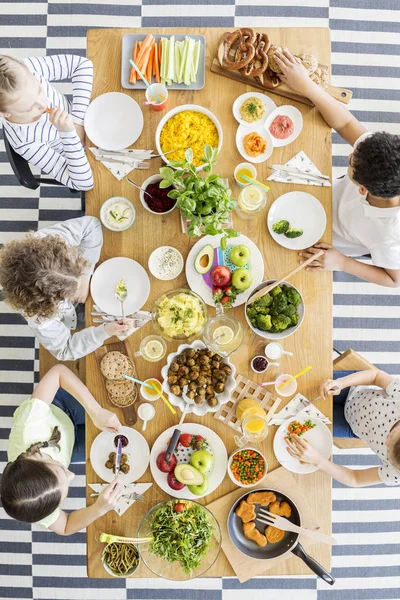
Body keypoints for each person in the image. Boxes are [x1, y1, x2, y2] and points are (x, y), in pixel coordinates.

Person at [273, 49, 400, 288]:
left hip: (333, 236)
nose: (351, 153)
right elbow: (346, 122)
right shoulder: (383, 155)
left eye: (351, 162)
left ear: (363, 189)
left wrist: (342, 263)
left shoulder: (390, 237)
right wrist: (307, 85)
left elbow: (395, 279)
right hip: (325, 195)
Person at [1, 364, 125, 535]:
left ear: (37, 457)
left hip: (60, 406)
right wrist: (99, 508)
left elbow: (58, 372)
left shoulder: (30, 422)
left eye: (61, 470)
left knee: (111, 406)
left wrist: (95, 411)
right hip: (68, 444)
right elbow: (65, 526)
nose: (72, 474)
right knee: (110, 442)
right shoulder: (35, 504)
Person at [0, 216, 133, 360]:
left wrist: (85, 276)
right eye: (66, 293)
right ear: (48, 302)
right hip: (66, 316)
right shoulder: (39, 318)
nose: (76, 287)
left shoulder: (48, 243)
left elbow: (91, 225)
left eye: (74, 269)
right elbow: (65, 350)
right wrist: (105, 331)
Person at [286, 369, 400, 487]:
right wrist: (341, 383)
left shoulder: (396, 473)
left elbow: (355, 479)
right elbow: (375, 376)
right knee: (301, 384)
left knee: (304, 430)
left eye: (387, 450)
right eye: (391, 435)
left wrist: (318, 460)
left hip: (350, 425)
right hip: (353, 388)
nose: (386, 441)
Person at [0, 54, 94, 191]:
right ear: (5, 114)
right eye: (29, 108)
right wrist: (68, 134)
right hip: (79, 156)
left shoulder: (25, 68)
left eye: (39, 90)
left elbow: (83, 64)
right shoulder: (25, 143)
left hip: (85, 115)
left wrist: (78, 122)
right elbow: (83, 184)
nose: (43, 105)